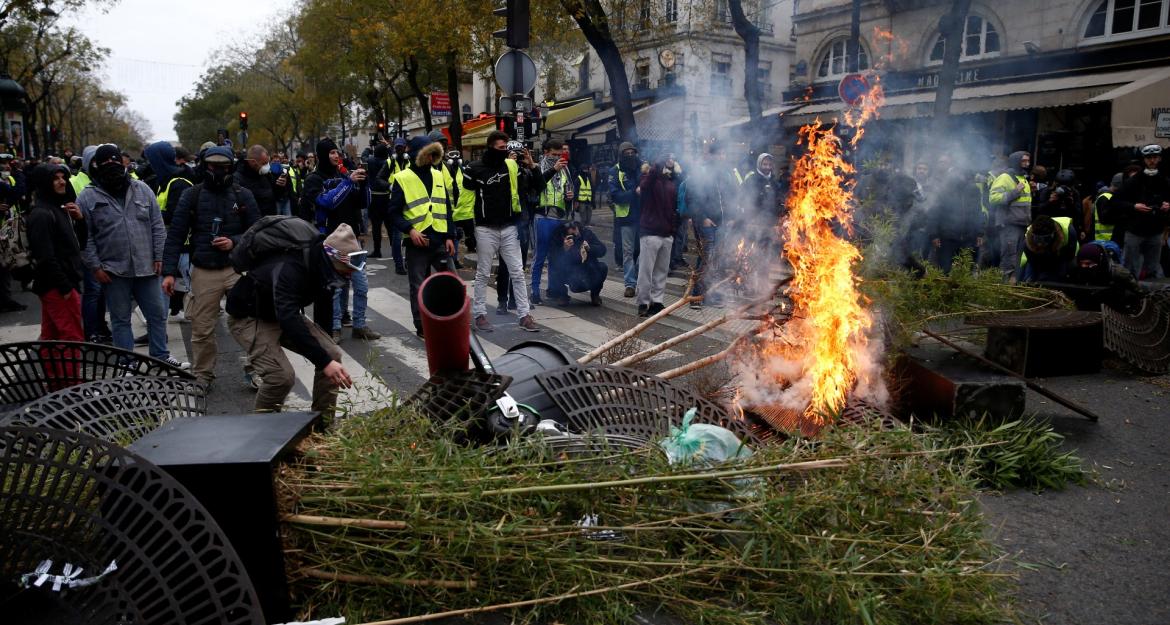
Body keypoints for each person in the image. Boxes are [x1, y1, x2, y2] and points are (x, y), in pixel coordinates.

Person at [225, 219, 358, 416]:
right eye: (348, 270)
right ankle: (261, 434)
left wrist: (326, 355)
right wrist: (324, 362)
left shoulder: (325, 268)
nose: (350, 276)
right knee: (280, 378)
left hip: (279, 312)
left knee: (331, 355)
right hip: (250, 317)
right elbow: (288, 318)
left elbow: (324, 312)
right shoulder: (291, 267)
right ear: (335, 259)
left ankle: (322, 428)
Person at [78, 144, 187, 369]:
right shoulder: (87, 197)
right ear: (96, 165)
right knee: (120, 320)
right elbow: (84, 237)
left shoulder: (142, 189)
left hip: (147, 267)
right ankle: (127, 362)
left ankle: (160, 356)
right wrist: (95, 267)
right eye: (105, 162)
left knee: (157, 315)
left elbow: (157, 226)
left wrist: (160, 257)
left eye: (115, 160)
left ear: (123, 162)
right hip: (113, 270)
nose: (112, 165)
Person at [161, 146, 261, 388]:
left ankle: (256, 368)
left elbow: (257, 232)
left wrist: (233, 242)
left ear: (231, 167)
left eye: (223, 167)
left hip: (236, 269)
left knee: (248, 323)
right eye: (214, 167)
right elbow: (175, 235)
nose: (218, 172)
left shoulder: (242, 195)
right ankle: (203, 375)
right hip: (204, 271)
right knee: (202, 328)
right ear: (205, 167)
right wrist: (169, 273)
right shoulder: (191, 195)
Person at [461, 130, 552, 332]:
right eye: (501, 148)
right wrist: (468, 232)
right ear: (491, 147)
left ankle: (524, 314)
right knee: (483, 273)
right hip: (485, 228)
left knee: (518, 272)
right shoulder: (474, 169)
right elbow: (465, 201)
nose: (505, 152)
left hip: (509, 227)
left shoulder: (511, 166)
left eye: (506, 148)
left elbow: (539, 187)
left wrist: (533, 166)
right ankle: (480, 314)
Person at [303, 138, 380, 343]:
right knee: (335, 289)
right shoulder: (314, 180)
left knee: (361, 285)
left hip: (352, 240)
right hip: (330, 241)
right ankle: (335, 328)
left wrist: (364, 185)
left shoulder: (345, 175)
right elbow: (327, 202)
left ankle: (359, 325)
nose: (336, 156)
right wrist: (348, 182)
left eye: (337, 152)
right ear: (322, 156)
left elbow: (363, 204)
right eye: (331, 153)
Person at [388, 137, 456, 337]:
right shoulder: (403, 178)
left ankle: (453, 319)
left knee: (451, 282)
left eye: (434, 154)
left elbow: (446, 207)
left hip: (439, 240)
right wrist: (410, 230)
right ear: (419, 154)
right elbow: (393, 212)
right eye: (428, 154)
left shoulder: (438, 175)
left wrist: (450, 236)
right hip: (416, 241)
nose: (431, 158)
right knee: (418, 286)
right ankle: (422, 327)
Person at [25, 162, 87, 343]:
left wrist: (80, 221)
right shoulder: (42, 214)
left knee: (52, 338)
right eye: (55, 179)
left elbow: (79, 244)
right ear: (44, 183)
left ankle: (55, 372)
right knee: (71, 339)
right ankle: (67, 373)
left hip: (61, 283)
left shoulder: (59, 209)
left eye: (63, 178)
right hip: (58, 286)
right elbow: (45, 256)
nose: (62, 182)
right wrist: (65, 287)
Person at [144, 140, 198, 319]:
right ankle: (161, 324)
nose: (149, 164)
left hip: (181, 245)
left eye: (152, 160)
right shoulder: (164, 181)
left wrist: (150, 213)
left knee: (185, 286)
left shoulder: (179, 183)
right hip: (168, 243)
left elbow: (177, 216)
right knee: (168, 286)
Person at [684, 140, 736, 309]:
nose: (723, 157)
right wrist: (703, 217)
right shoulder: (701, 172)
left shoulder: (726, 174)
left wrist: (730, 216)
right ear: (712, 155)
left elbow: (731, 197)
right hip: (705, 222)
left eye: (724, 154)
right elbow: (691, 198)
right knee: (706, 258)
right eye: (720, 153)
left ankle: (712, 294)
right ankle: (697, 295)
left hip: (722, 223)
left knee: (719, 259)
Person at [1112, 144, 1170, 279]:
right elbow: (1115, 201)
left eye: (1155, 157)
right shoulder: (1134, 180)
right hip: (1135, 230)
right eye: (1149, 157)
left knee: (1152, 268)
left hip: (1155, 230)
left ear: (1160, 158)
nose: (1152, 161)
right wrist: (1134, 206)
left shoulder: (1164, 180)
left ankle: (1151, 297)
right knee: (1130, 268)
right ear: (1144, 159)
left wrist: (1168, 205)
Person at [636, 153, 680, 317]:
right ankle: (643, 303)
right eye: (667, 159)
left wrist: (672, 230)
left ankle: (657, 301)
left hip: (666, 233)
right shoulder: (649, 178)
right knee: (646, 271)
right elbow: (646, 185)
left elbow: (674, 208)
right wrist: (657, 165)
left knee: (661, 271)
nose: (671, 161)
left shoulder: (670, 183)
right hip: (650, 232)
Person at [530, 139, 573, 305]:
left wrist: (570, 197)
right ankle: (534, 292)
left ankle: (554, 290)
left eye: (558, 154)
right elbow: (535, 187)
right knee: (540, 256)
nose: (556, 157)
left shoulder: (565, 169)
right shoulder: (538, 167)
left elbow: (568, 188)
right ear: (546, 152)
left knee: (558, 256)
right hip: (543, 216)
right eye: (553, 154)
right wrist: (553, 169)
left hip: (560, 217)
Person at [928, 162, 986, 273]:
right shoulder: (944, 191)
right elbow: (934, 214)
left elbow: (978, 212)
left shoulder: (973, 190)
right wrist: (934, 235)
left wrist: (980, 232)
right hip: (947, 238)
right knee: (945, 270)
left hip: (969, 237)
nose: (961, 177)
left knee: (966, 270)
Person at [988, 151, 1034, 282]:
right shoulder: (1005, 177)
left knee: (1017, 258)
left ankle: (1012, 285)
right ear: (1016, 161)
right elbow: (993, 198)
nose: (1027, 164)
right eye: (1023, 161)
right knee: (1009, 258)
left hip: (1021, 225)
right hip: (1009, 225)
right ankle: (1003, 287)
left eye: (1028, 161)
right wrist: (1014, 192)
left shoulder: (1023, 178)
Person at [371, 137, 411, 274]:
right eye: (397, 148)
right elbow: (379, 179)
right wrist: (390, 186)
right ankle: (399, 265)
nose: (399, 150)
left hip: (412, 201)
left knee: (410, 234)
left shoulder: (411, 161)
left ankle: (408, 261)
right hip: (395, 201)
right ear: (395, 149)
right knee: (397, 235)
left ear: (405, 148)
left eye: (402, 147)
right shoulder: (390, 162)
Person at [546, 220, 607, 306]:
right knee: (554, 266)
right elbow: (552, 256)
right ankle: (562, 295)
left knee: (602, 267)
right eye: (570, 235)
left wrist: (590, 248)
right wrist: (564, 249)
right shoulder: (558, 234)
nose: (574, 237)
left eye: (575, 233)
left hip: (587, 269)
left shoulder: (586, 233)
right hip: (569, 271)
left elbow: (603, 250)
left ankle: (595, 295)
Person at [610, 142, 642, 297]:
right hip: (626, 218)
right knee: (628, 252)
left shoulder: (642, 168)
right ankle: (630, 284)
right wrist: (633, 193)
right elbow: (614, 195)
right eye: (627, 153)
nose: (630, 155)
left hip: (643, 216)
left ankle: (642, 281)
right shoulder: (615, 171)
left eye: (632, 152)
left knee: (643, 251)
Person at [0, 152, 28, 312]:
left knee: (6, 265)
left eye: (7, 163)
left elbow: (17, 193)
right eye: (2, 164)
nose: (5, 166)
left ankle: (5, 299)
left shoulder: (9, 179)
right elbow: (16, 192)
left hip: (8, 227)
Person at [1019, 215, 1077, 282]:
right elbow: (1034, 264)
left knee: (1059, 278)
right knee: (1026, 280)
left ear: (1053, 234)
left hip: (1061, 254)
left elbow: (1069, 257)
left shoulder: (1069, 231)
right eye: (1038, 239)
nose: (1040, 244)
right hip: (1035, 257)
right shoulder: (1028, 241)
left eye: (1045, 239)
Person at [366, 142, 391, 258]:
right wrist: (389, 147)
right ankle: (394, 248)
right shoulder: (388, 162)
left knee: (376, 226)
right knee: (390, 225)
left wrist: (368, 148)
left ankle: (377, 250)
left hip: (374, 197)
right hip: (386, 195)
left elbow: (364, 156)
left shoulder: (370, 161)